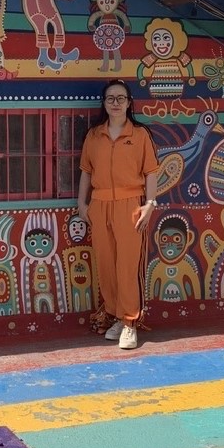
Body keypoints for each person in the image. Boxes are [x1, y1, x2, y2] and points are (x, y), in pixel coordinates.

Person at [77, 80, 159, 350]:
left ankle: (130, 323)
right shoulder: (94, 135)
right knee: (106, 266)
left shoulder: (140, 134)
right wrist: (82, 204)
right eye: (110, 98)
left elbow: (151, 172)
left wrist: (150, 204)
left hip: (130, 205)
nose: (115, 103)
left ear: (129, 102)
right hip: (100, 205)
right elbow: (86, 171)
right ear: (104, 103)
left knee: (127, 265)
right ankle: (115, 316)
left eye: (120, 98)